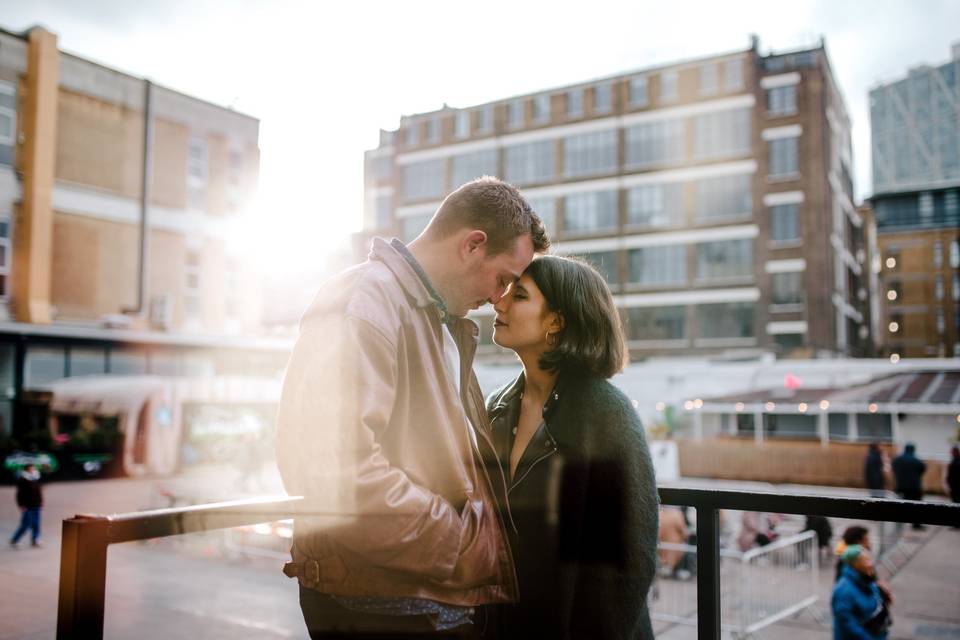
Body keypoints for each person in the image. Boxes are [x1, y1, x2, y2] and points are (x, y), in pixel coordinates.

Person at [275, 177, 549, 638]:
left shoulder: (433, 317)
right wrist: (463, 542)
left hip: (414, 599)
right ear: (473, 245)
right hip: (382, 608)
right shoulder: (363, 302)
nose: (499, 297)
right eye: (503, 278)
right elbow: (337, 473)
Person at [485, 255, 658, 639]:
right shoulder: (495, 406)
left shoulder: (604, 413)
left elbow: (625, 566)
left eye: (520, 296)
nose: (499, 302)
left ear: (556, 322)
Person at [831, 545, 892, 639]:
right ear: (854, 564)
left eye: (870, 559)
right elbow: (848, 624)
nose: (871, 564)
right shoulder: (843, 591)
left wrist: (884, 598)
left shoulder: (867, 579)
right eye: (866, 560)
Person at [891, 442, 927, 530]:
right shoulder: (916, 460)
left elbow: (893, 468)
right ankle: (916, 524)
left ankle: (899, 524)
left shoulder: (897, 459)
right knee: (916, 507)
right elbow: (922, 469)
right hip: (914, 488)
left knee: (901, 506)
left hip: (901, 487)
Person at [9, 463, 43, 548]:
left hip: (36, 505)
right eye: (30, 469)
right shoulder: (23, 479)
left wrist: (41, 501)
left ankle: (35, 540)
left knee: (36, 524)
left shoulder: (36, 477)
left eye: (33, 468)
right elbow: (19, 494)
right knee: (25, 524)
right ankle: (15, 539)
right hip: (27, 506)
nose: (32, 470)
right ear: (26, 470)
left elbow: (39, 491)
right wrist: (21, 505)